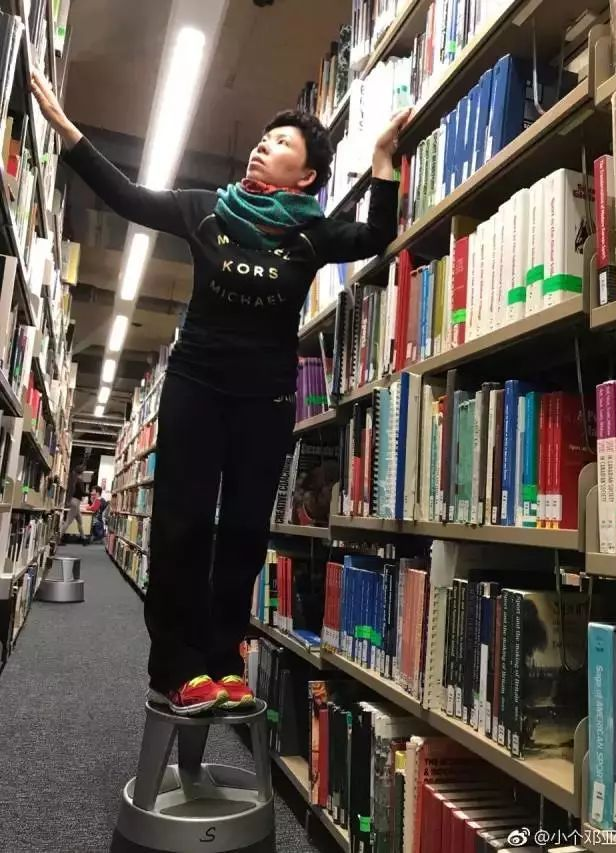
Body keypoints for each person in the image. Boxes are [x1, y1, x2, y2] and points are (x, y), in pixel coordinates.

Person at [31, 68, 409, 716]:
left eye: (282, 142)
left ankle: (224, 658)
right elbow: (127, 196)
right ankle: (176, 665)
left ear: (307, 176)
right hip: (196, 385)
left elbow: (375, 235)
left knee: (242, 531)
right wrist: (69, 134)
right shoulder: (206, 208)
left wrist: (382, 162)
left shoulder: (312, 234)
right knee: (182, 525)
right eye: (264, 137)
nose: (264, 144)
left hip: (265, 398)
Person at [62, 463, 89, 544]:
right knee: (68, 521)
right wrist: (90, 493)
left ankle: (83, 538)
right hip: (75, 503)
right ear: (81, 472)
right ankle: (59, 538)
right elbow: (82, 492)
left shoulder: (75, 479)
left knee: (80, 521)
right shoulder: (80, 481)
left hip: (75, 502)